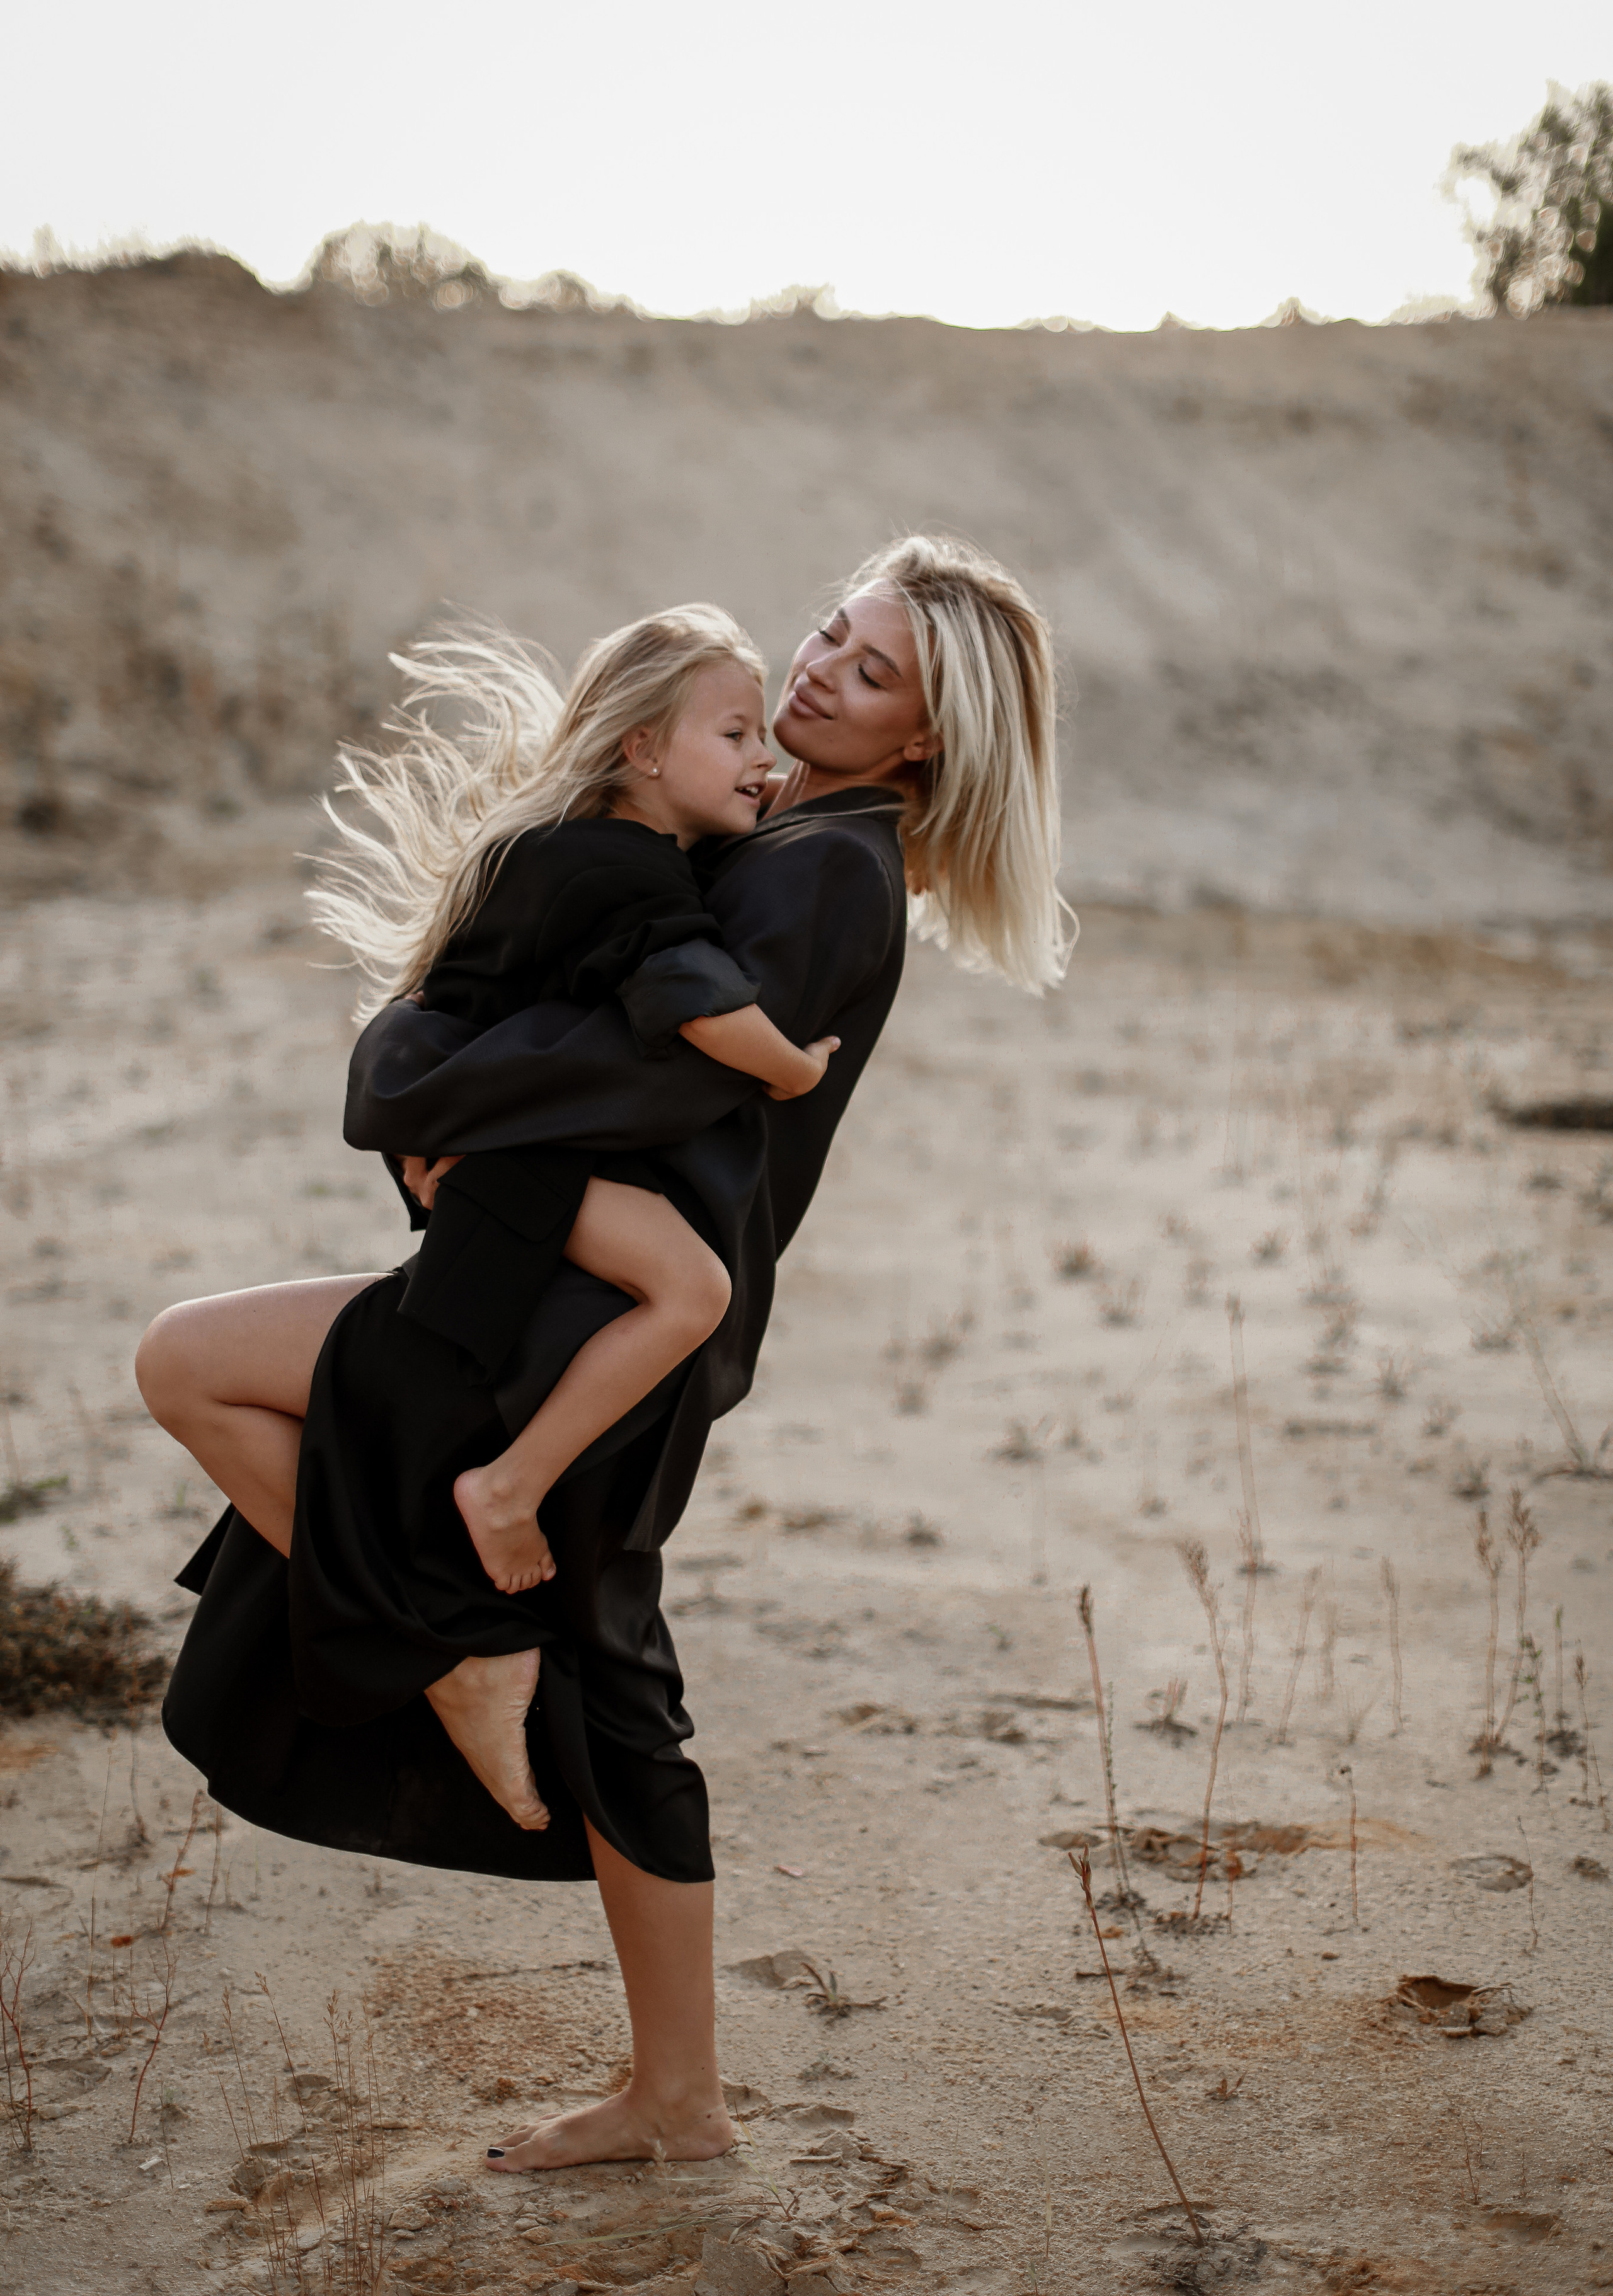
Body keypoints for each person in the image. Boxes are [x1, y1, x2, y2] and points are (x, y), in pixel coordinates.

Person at [138, 535, 1072, 2174]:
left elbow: (651, 1076)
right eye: (828, 634)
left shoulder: (826, 872)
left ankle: (446, 1658)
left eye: (868, 672)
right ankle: (671, 2082)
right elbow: (600, 991)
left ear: (927, 735)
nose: (818, 672)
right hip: (563, 1288)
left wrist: (422, 1093)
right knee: (606, 1674)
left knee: (204, 1375)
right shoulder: (792, 834)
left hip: (585, 1319)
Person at [305, 604, 841, 1604]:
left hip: (474, 1125)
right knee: (695, 1293)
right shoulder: (619, 865)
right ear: (642, 749)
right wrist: (793, 1070)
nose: (761, 757)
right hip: (500, 1150)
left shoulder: (584, 844)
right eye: (735, 735)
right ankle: (508, 1487)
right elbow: (698, 1003)